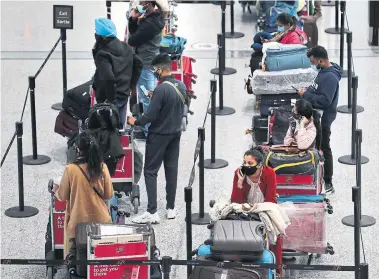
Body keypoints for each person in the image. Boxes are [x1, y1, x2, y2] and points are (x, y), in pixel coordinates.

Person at [127, 53, 188, 224]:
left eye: (155, 70)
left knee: (150, 171)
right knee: (171, 169)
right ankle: (171, 208)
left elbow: (150, 116)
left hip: (159, 135)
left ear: (161, 69)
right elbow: (178, 105)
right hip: (175, 134)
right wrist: (157, 98)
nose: (154, 72)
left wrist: (135, 121)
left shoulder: (161, 89)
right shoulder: (181, 86)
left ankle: (152, 211)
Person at [53, 131, 114, 257]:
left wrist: (55, 190)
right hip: (101, 221)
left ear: (78, 149)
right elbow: (109, 195)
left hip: (77, 223)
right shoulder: (102, 167)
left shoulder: (70, 169)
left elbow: (62, 196)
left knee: (76, 255)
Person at [230, 147, 282, 275]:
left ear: (259, 165)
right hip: (244, 209)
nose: (246, 166)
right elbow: (236, 201)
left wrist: (254, 209)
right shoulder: (239, 173)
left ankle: (277, 270)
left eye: (250, 163)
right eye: (244, 163)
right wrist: (240, 183)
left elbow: (270, 200)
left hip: (264, 208)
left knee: (275, 234)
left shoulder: (269, 173)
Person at [297, 45, 342, 194]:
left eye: (313, 62)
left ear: (321, 60)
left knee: (324, 148)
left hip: (323, 120)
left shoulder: (330, 77)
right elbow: (317, 89)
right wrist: (307, 92)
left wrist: (306, 95)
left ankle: (328, 182)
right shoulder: (323, 71)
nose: (313, 65)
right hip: (315, 116)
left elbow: (325, 101)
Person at [92, 18, 142, 126]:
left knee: (107, 128)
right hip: (123, 93)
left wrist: (111, 100)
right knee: (120, 124)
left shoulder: (102, 54)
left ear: (101, 36)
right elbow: (139, 64)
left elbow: (108, 78)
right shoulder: (126, 47)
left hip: (107, 97)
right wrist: (131, 85)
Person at [128, 0, 166, 138]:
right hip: (150, 61)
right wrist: (134, 19)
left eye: (141, 2)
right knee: (149, 96)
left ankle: (150, 131)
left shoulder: (150, 24)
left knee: (147, 98)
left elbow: (132, 40)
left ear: (148, 4)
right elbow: (134, 34)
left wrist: (134, 18)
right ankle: (149, 128)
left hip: (146, 64)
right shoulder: (153, 19)